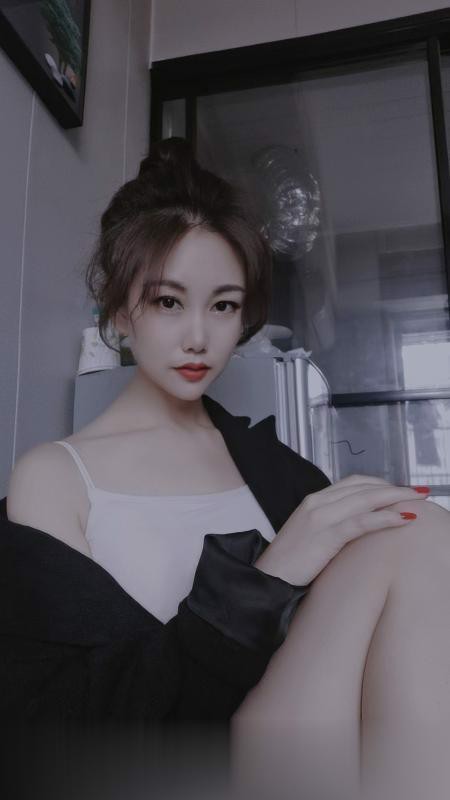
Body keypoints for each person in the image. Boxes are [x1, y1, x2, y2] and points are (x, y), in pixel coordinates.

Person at [1, 137, 449, 800]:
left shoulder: (271, 467)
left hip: (302, 751)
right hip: (167, 768)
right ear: (120, 309)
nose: (199, 337)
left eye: (223, 305)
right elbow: (60, 731)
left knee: (414, 522)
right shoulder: (55, 477)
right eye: (168, 302)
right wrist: (266, 579)